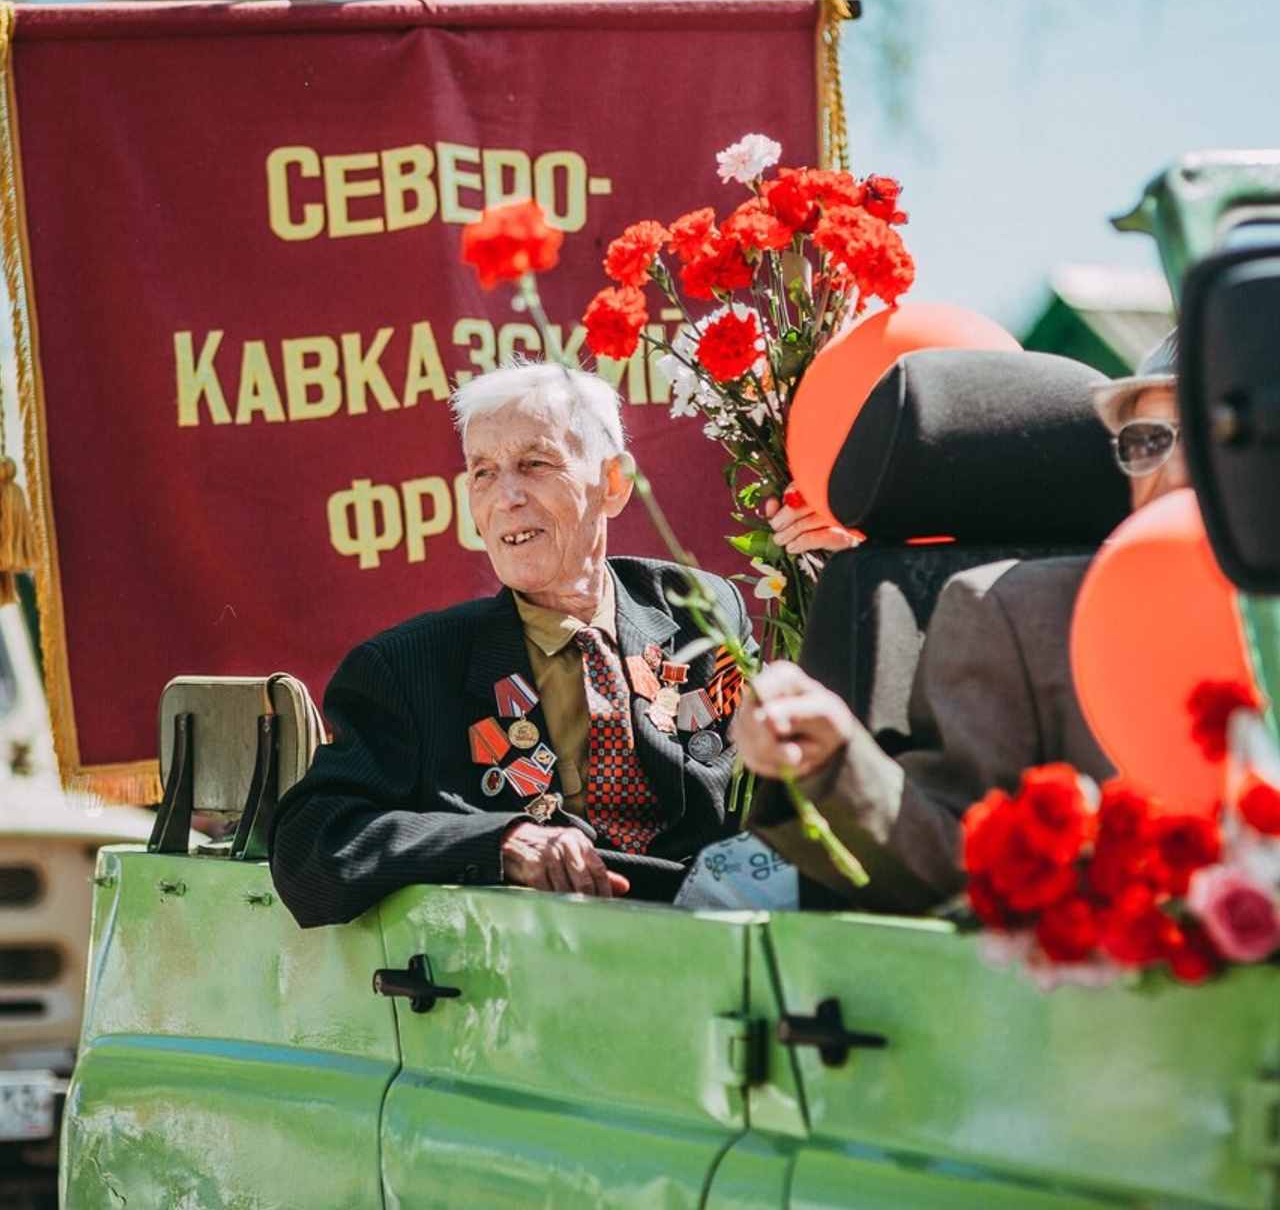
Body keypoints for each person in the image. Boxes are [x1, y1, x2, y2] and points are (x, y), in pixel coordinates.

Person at [269, 362, 753, 927]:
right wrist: (499, 842)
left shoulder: (700, 611)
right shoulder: (409, 667)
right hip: (530, 961)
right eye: (483, 473)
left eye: (534, 464)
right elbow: (308, 848)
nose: (506, 497)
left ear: (613, 483)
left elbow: (775, 795)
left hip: (713, 944)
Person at [736, 332, 1186, 912]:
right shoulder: (1020, 610)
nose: (1173, 472)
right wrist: (832, 762)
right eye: (1147, 441)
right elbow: (958, 866)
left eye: (1205, 435)